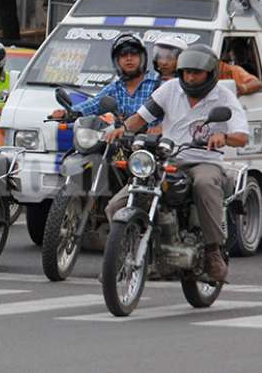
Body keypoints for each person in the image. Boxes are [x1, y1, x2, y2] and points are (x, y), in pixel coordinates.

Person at [105, 44, 249, 282]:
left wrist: (224, 137)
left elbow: (242, 136)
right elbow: (141, 117)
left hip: (204, 161)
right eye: (186, 72)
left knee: (204, 184)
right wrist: (121, 130)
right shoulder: (170, 89)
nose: (190, 77)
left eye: (196, 72)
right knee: (116, 204)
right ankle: (122, 255)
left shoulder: (224, 96)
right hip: (168, 159)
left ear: (210, 73)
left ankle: (213, 252)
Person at [49, 34, 161, 121]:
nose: (129, 58)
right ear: (116, 62)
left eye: (134, 54)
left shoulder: (158, 85)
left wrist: (160, 127)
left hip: (153, 146)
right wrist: (68, 113)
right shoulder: (114, 88)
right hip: (120, 145)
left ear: (143, 58)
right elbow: (94, 104)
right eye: (123, 55)